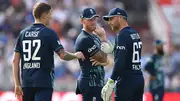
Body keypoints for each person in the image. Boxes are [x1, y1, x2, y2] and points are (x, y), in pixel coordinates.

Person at [12, 2, 85, 101]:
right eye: (50, 15)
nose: (51, 18)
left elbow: (15, 61)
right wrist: (75, 55)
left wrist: (17, 84)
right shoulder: (49, 33)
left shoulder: (23, 34)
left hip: (26, 83)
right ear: (44, 15)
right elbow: (63, 55)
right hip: (43, 83)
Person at [100, 8, 145, 101]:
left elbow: (120, 63)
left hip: (126, 80)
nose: (109, 22)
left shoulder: (122, 35)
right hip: (138, 77)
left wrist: (111, 80)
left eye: (111, 19)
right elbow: (129, 54)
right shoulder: (135, 33)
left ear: (120, 17)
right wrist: (114, 50)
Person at [75, 8, 109, 101]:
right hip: (90, 83)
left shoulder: (94, 36)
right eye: (90, 19)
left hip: (97, 83)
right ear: (82, 20)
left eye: (94, 19)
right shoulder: (84, 39)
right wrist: (103, 37)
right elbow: (103, 58)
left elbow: (107, 57)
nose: (93, 22)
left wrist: (104, 61)